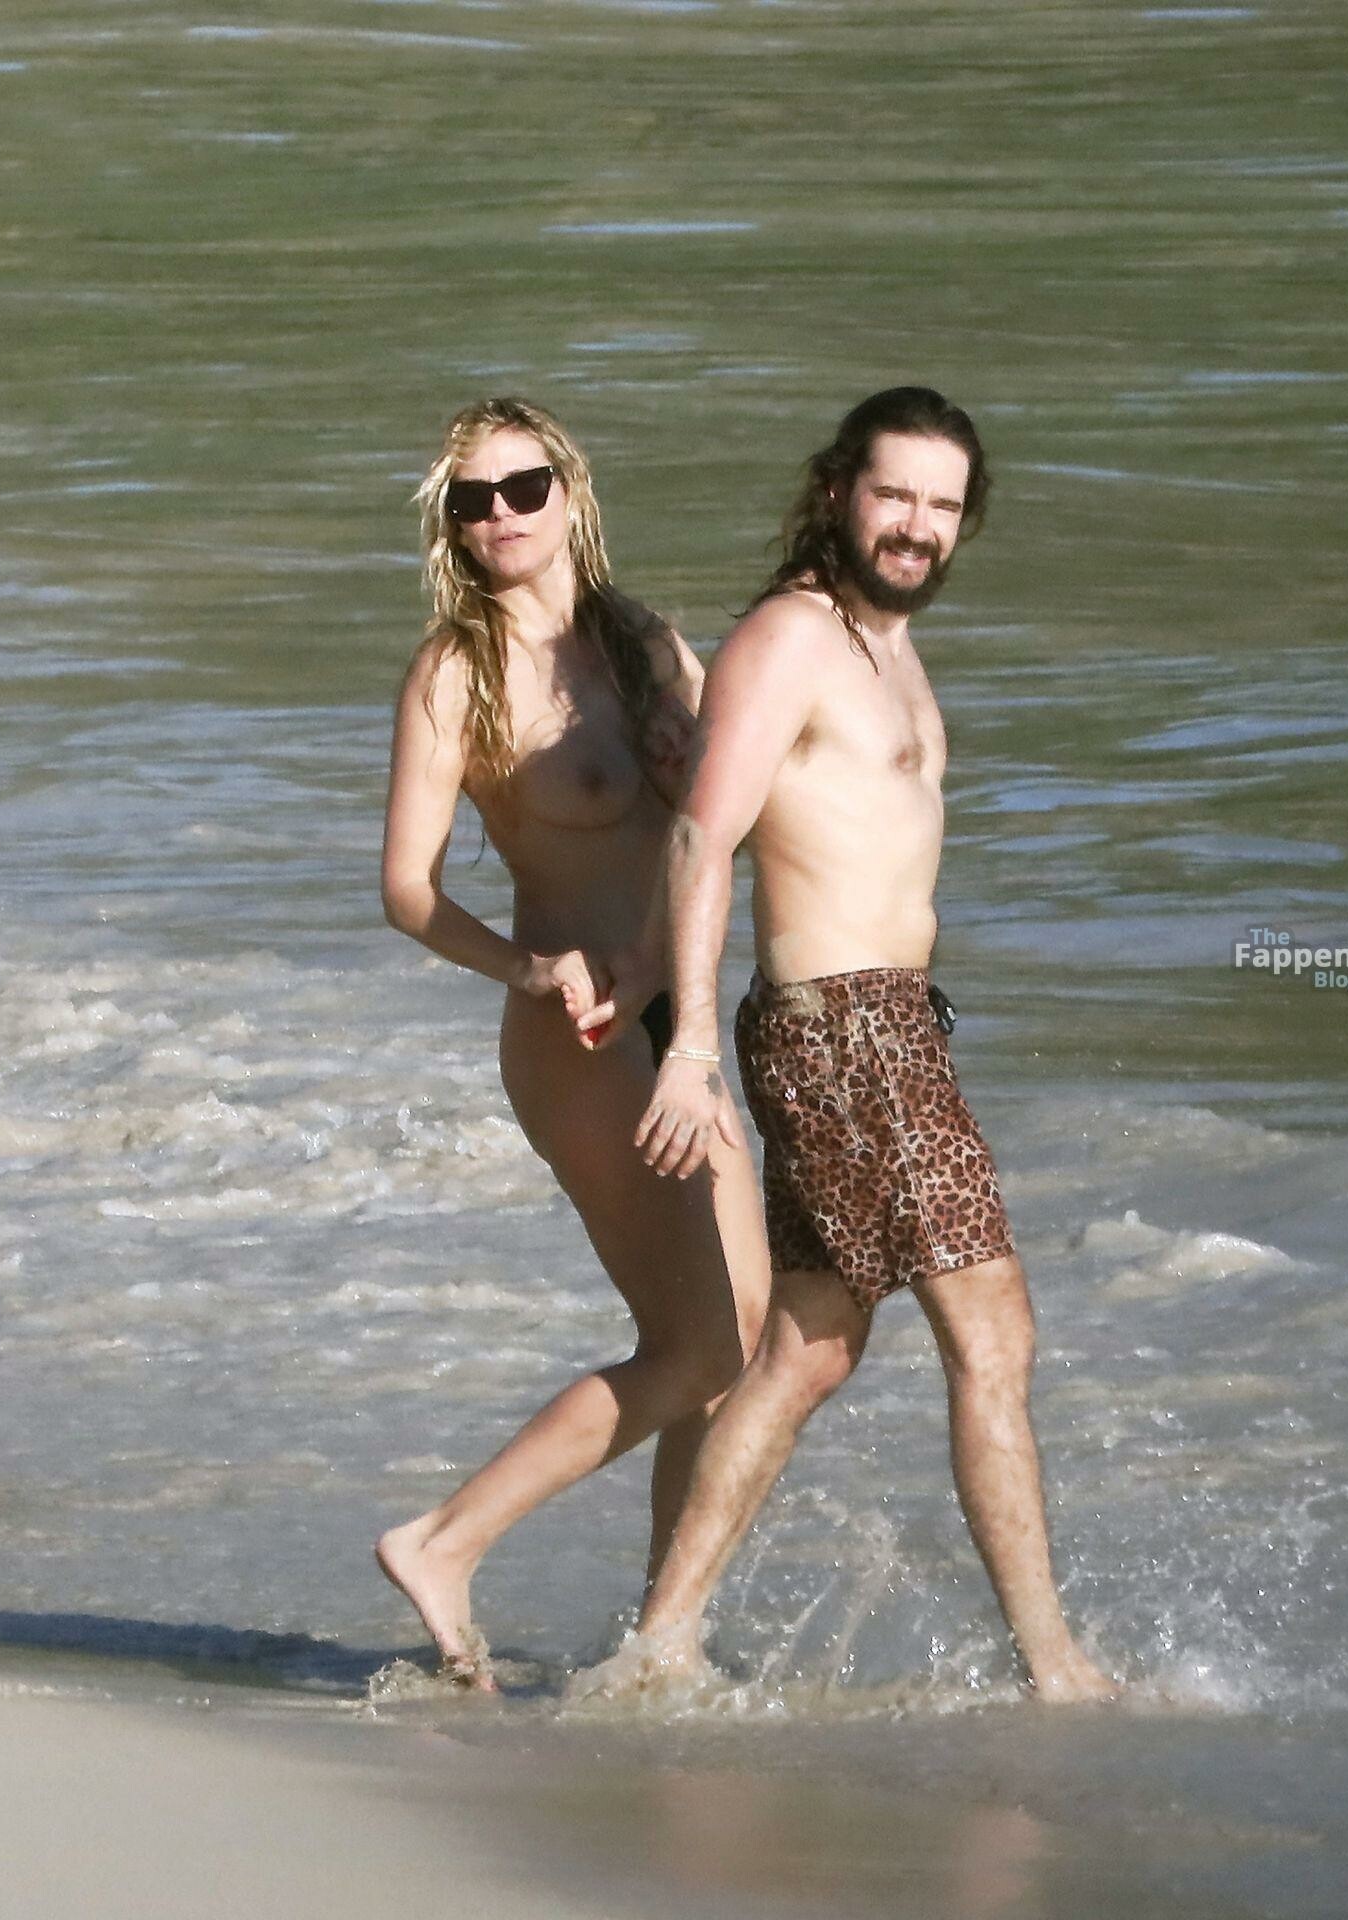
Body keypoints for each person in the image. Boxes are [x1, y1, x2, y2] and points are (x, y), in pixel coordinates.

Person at [623, 387, 1117, 1701]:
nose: (916, 525)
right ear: (838, 488)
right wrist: (685, 1050)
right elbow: (701, 834)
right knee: (993, 1336)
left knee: (810, 1346)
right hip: (845, 1031)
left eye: (942, 506)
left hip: (883, 1028)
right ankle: (1055, 1666)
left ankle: (661, 1640)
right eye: (894, 493)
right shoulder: (794, 635)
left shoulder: (884, 646)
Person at [376, 396, 769, 1687]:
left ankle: (667, 1632)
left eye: (523, 487)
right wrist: (525, 965)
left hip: (678, 1016)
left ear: (570, 491)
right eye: (471, 500)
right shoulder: (456, 675)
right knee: (697, 1346)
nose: (500, 515)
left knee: (737, 1342)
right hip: (579, 1029)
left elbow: (727, 810)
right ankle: (442, 1542)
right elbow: (408, 889)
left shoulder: (643, 643)